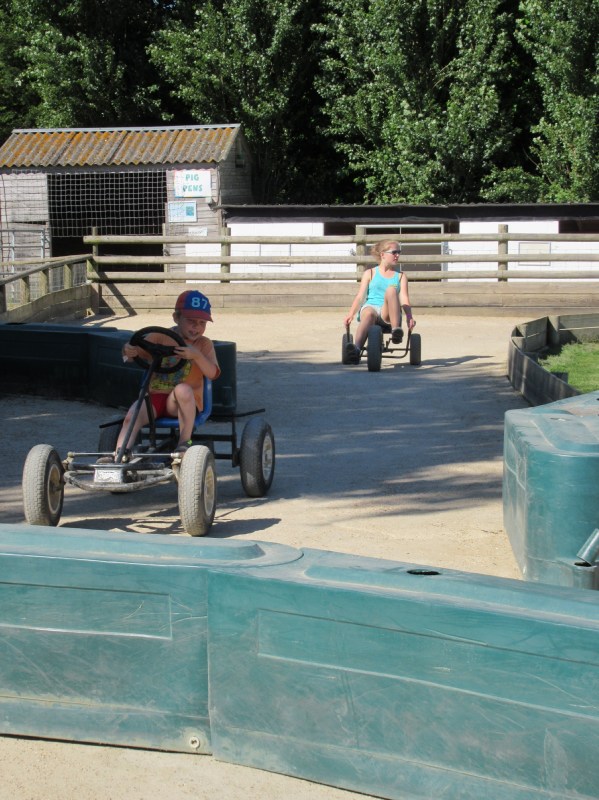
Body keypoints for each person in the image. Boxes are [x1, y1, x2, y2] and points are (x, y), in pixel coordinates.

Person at [98, 290, 221, 462]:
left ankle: (184, 442)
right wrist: (128, 350)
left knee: (183, 389)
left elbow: (213, 373)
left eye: (202, 323)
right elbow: (131, 354)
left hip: (183, 403)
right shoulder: (160, 336)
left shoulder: (203, 344)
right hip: (155, 398)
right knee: (132, 415)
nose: (196, 327)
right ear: (176, 318)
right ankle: (119, 455)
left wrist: (197, 356)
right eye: (191, 321)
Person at [343, 239, 416, 364]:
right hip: (371, 307)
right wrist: (351, 314)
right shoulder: (370, 273)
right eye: (394, 252)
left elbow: (404, 298)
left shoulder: (400, 276)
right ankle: (356, 349)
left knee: (391, 290)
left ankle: (396, 332)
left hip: (387, 312)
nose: (397, 255)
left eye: (399, 252)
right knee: (369, 313)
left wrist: (409, 316)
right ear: (383, 254)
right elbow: (360, 296)